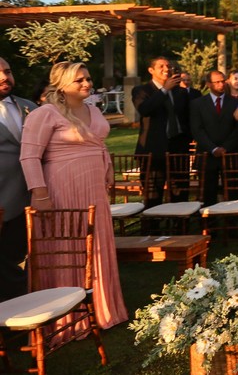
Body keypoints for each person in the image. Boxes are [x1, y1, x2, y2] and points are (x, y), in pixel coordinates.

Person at [19, 62, 127, 336]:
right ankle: (67, 316)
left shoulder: (94, 110)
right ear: (61, 84)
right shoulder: (44, 113)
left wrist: (108, 168)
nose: (87, 83)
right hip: (62, 188)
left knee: (96, 243)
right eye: (79, 80)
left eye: (88, 78)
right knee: (69, 246)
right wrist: (40, 193)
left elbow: (99, 144)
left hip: (94, 189)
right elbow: (29, 157)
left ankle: (102, 309)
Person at [131, 57, 191, 207]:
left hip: (178, 150)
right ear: (151, 70)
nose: (166, 69)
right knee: (153, 197)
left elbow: (187, 117)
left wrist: (187, 139)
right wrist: (164, 90)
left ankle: (178, 222)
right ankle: (154, 223)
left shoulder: (181, 92)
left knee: (180, 196)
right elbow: (145, 109)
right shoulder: (141, 90)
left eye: (168, 66)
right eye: (161, 66)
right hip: (153, 151)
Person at [0, 57, 37, 300]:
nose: (4, 77)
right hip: (3, 200)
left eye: (8, 71)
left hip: (32, 197)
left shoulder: (29, 107)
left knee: (20, 256)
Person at [190, 70, 238, 206]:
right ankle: (209, 217)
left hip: (230, 154)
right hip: (207, 155)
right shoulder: (197, 104)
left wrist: (225, 147)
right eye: (217, 82)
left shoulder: (236, 103)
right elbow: (197, 130)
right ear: (209, 84)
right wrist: (213, 148)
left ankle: (233, 217)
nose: (221, 84)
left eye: (223, 81)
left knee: (233, 193)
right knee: (208, 193)